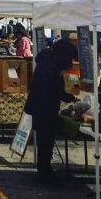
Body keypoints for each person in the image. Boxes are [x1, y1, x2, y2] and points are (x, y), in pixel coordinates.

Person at [24, 39, 80, 185]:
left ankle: (45, 170)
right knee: (45, 142)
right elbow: (54, 89)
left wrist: (67, 97)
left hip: (41, 108)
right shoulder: (49, 66)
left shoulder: (47, 61)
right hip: (44, 109)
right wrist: (69, 97)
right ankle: (44, 173)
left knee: (45, 142)